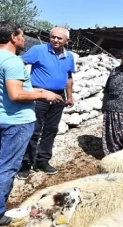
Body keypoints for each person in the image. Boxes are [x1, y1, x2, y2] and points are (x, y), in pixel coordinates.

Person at [0, 21, 63, 226]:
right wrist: (43, 93)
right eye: (21, 35)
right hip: (15, 121)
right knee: (7, 167)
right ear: (12, 37)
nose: (23, 39)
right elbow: (15, 94)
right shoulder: (13, 61)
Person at [17, 27, 75, 179]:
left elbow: (69, 78)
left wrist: (69, 96)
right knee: (33, 130)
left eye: (59, 38)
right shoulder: (38, 50)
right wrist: (23, 86)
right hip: (39, 95)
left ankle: (42, 161)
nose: (55, 40)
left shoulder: (69, 56)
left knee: (51, 130)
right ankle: (26, 164)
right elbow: (19, 64)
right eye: (53, 37)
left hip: (58, 96)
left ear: (67, 41)